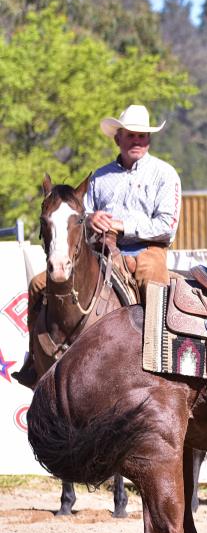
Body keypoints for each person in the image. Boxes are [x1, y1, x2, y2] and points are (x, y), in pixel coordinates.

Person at [14, 104, 181, 387]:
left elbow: (167, 226)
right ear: (118, 139)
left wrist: (121, 225)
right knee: (38, 284)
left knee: (153, 280)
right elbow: (79, 214)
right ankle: (34, 358)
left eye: (142, 136)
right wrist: (91, 219)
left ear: (149, 140)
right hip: (100, 250)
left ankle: (162, 361)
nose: (136, 141)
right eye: (130, 135)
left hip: (147, 250)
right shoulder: (99, 178)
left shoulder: (165, 174)